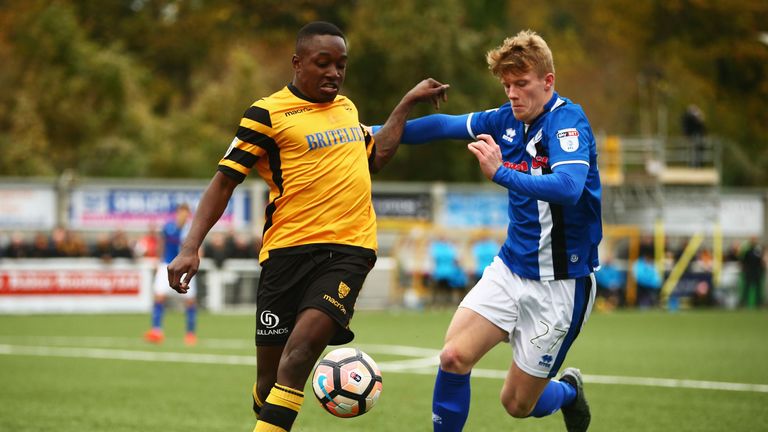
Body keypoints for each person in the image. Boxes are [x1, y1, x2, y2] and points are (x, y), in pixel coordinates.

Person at [166, 21, 449, 432]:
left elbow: (375, 158)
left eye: (341, 65)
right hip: (285, 254)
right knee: (270, 383)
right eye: (323, 63)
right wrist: (191, 245)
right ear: (298, 63)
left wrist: (405, 104)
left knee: (299, 355)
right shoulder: (266, 114)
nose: (334, 73)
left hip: (349, 252)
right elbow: (224, 180)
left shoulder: (347, 109)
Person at [382, 30, 600, 431]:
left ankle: (568, 391)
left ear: (547, 82)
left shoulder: (568, 123)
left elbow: (569, 188)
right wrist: (366, 133)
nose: (513, 94)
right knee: (452, 357)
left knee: (517, 404)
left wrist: (500, 172)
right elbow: (442, 126)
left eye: (522, 84)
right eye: (506, 85)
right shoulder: (504, 120)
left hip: (561, 286)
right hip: (510, 269)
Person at [144, 203, 198, 346]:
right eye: (182, 212)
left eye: (186, 213)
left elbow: (198, 246)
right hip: (166, 265)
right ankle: (156, 331)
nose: (183, 215)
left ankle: (190, 334)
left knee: (190, 301)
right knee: (159, 297)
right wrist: (158, 259)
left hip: (185, 267)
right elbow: (162, 244)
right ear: (177, 213)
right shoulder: (168, 227)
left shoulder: (191, 230)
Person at [739, 236, 765, 308]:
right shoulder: (747, 251)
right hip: (749, 272)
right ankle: (743, 303)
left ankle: (759, 303)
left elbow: (761, 262)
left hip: (757, 272)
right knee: (746, 288)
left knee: (758, 288)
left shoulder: (758, 251)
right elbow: (743, 261)